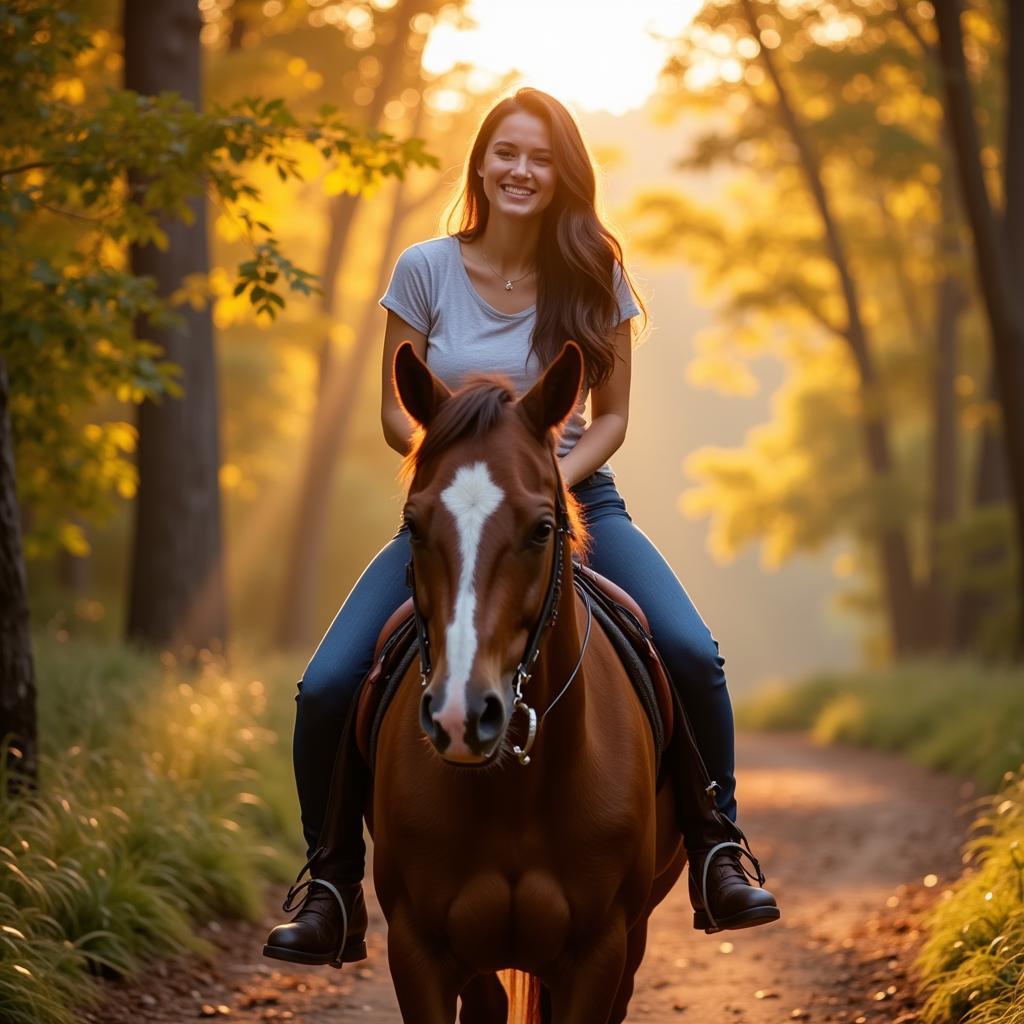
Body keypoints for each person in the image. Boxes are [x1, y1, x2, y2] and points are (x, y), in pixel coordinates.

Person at [263, 86, 779, 969]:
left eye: (541, 157)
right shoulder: (425, 268)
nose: (521, 171)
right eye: (507, 152)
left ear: (563, 174)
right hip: (453, 516)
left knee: (691, 651)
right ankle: (332, 885)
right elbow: (397, 409)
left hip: (573, 507)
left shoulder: (596, 273)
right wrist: (457, 477)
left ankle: (717, 849)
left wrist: (545, 490)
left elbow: (611, 418)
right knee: (326, 684)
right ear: (481, 163)